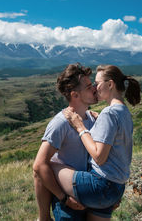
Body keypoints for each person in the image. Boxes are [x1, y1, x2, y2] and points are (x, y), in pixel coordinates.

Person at [53, 64, 141, 220]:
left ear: (110, 84)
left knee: (48, 165)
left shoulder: (109, 113)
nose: (94, 87)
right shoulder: (124, 112)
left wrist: (80, 126)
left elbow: (99, 157)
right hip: (117, 188)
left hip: (100, 186)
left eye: (97, 83)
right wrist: (101, 120)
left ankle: (43, 216)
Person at [33, 63, 98, 221]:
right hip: (68, 200)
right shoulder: (61, 123)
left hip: (88, 194)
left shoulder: (92, 118)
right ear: (75, 95)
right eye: (89, 86)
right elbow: (39, 165)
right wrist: (64, 199)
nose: (95, 88)